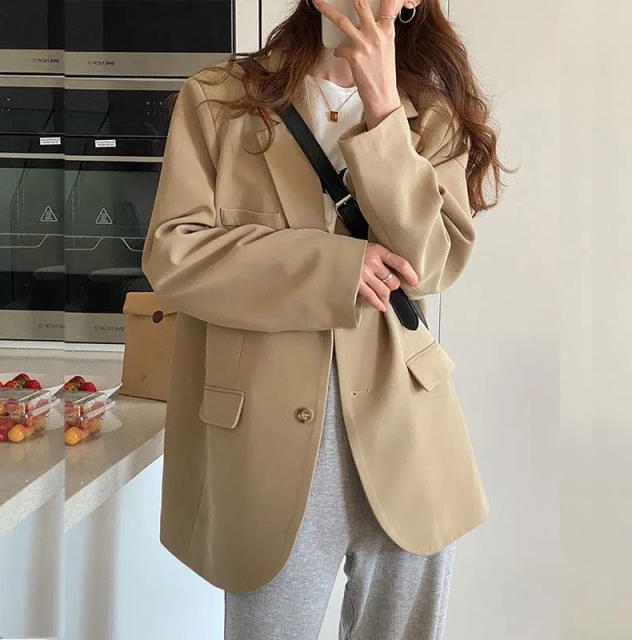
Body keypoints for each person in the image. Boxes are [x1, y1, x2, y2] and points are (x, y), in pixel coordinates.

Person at [142, 0, 509, 637]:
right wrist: (333, 267)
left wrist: (385, 109)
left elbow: (430, 262)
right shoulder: (219, 99)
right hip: (261, 441)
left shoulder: (430, 118)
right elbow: (174, 254)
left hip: (407, 436)